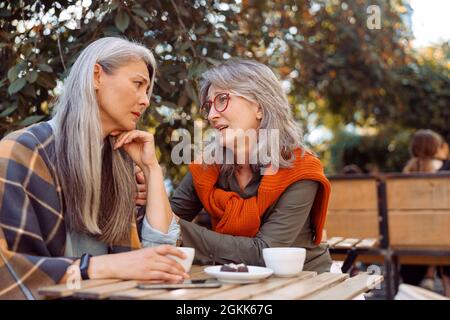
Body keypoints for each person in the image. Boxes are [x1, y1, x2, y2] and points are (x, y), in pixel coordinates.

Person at [0, 37, 189, 299]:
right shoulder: (21, 152)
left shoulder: (120, 162)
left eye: (147, 90)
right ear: (96, 76)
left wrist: (151, 169)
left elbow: (159, 256)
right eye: (138, 84)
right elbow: (6, 270)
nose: (145, 100)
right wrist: (95, 267)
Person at [147, 59, 332, 272]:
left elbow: (265, 253)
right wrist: (150, 182)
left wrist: (176, 227)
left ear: (260, 107)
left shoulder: (300, 170)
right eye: (209, 106)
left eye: (222, 99)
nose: (211, 115)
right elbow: (158, 226)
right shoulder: (208, 167)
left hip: (305, 283)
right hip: (234, 282)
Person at [401, 129, 450, 295]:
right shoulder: (446, 169)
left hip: (411, 242)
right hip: (444, 240)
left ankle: (422, 280)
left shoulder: (406, 173)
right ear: (436, 148)